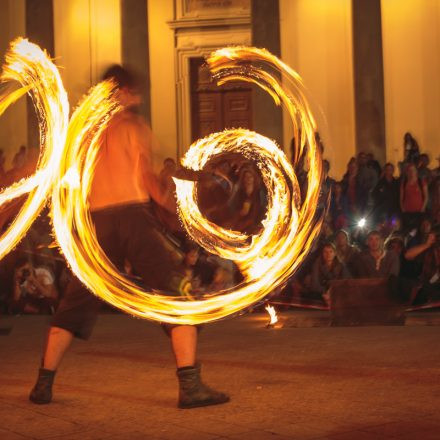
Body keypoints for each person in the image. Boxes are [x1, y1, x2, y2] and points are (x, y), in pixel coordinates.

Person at [29, 65, 229, 409]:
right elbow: (147, 181)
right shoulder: (133, 127)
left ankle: (43, 384)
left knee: (74, 304)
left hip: (98, 224)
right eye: (134, 91)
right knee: (177, 296)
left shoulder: (87, 134)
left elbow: (72, 185)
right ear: (120, 91)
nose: (138, 97)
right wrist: (177, 213)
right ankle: (190, 386)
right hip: (133, 219)